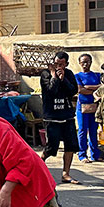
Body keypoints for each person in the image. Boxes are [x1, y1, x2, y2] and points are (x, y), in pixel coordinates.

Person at [40, 51, 81, 184]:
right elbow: (50, 91)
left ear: (66, 64)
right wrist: (54, 76)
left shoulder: (69, 74)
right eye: (56, 64)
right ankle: (38, 164)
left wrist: (63, 79)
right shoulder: (45, 74)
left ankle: (65, 173)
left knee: (71, 145)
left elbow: (73, 91)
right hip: (52, 116)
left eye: (61, 64)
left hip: (67, 115)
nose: (58, 67)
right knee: (51, 147)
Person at [74, 53, 103, 163]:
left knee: (93, 130)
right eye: (83, 62)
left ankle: (95, 154)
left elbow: (101, 88)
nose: (85, 64)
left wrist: (88, 87)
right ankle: (82, 154)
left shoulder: (96, 75)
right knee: (82, 130)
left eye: (87, 61)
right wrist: (94, 89)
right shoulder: (77, 76)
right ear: (80, 63)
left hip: (95, 106)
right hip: (82, 107)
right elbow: (81, 90)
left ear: (91, 62)